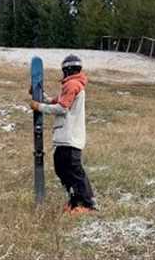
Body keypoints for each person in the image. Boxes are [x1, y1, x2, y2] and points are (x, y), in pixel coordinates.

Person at [30, 54, 96, 214]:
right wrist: (41, 96)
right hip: (65, 137)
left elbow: (62, 108)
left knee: (74, 171)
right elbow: (57, 101)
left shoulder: (73, 84)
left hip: (70, 137)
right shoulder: (72, 84)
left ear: (67, 69)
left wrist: (39, 106)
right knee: (62, 169)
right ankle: (74, 201)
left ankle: (87, 204)